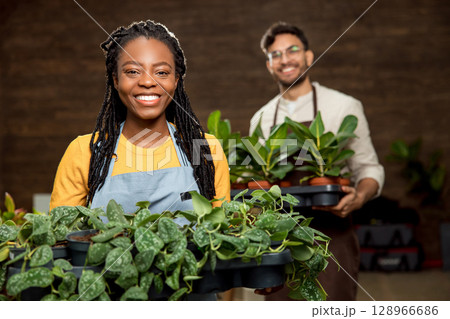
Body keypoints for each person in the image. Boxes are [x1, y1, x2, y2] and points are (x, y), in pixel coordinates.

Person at [250, 22, 384, 301]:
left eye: (292, 50)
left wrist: (358, 197)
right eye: (275, 55)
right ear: (269, 65)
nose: (285, 59)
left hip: (332, 239)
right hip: (280, 243)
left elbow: (369, 168)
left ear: (309, 56)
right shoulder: (261, 119)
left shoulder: (344, 106)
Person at [50, 20, 230, 223]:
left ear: (176, 81)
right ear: (116, 80)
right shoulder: (85, 152)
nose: (147, 81)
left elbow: (221, 230)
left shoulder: (204, 149)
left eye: (161, 72)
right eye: (133, 71)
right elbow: (61, 237)